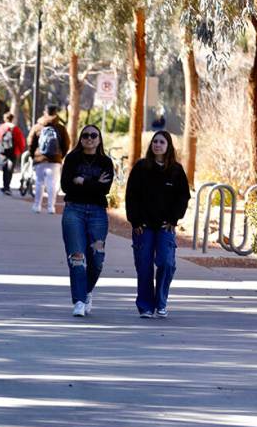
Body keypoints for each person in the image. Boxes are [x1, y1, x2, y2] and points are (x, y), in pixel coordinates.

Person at [125, 130, 190, 319]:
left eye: (162, 142)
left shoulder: (176, 170)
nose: (158, 145)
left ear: (168, 146)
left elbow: (183, 197)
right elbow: (131, 196)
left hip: (165, 226)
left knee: (166, 263)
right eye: (155, 141)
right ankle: (145, 306)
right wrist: (135, 221)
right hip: (143, 226)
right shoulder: (141, 167)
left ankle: (161, 302)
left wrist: (173, 219)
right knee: (144, 266)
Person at [60, 124, 115, 317]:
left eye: (93, 135)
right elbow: (66, 186)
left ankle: (87, 291)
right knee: (77, 257)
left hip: (97, 213)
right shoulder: (72, 159)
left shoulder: (106, 162)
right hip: (73, 210)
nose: (89, 139)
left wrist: (82, 181)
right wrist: (94, 184)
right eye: (85, 136)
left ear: (99, 139)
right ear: (80, 138)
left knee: (97, 260)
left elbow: (105, 189)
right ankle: (79, 301)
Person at [26, 104, 71, 214]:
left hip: (39, 159)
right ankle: (51, 207)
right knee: (52, 183)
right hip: (55, 160)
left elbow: (30, 142)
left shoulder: (37, 127)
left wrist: (33, 156)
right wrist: (61, 156)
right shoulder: (60, 127)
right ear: (56, 113)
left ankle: (37, 206)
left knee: (39, 182)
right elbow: (67, 143)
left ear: (45, 112)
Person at [0, 112, 25, 195]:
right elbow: (21, 141)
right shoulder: (15, 129)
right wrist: (21, 150)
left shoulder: (0, 128)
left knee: (5, 168)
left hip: (3, 151)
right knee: (10, 168)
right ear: (12, 119)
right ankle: (7, 186)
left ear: (5, 119)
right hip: (14, 151)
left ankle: (5, 186)